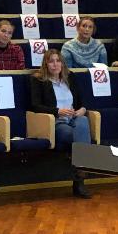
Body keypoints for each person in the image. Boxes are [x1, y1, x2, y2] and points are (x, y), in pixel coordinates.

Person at [30, 48, 92, 197]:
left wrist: (82, 109)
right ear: (45, 64)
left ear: (62, 64)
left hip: (74, 118)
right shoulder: (38, 80)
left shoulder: (70, 78)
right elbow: (35, 105)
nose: (55, 64)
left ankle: (79, 172)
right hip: (55, 122)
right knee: (72, 134)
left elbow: (82, 102)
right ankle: (81, 174)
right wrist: (57, 111)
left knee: (83, 120)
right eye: (51, 61)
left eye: (58, 61)